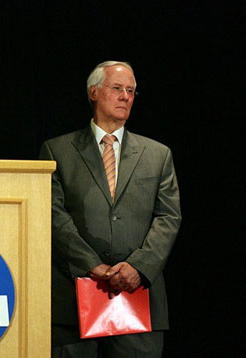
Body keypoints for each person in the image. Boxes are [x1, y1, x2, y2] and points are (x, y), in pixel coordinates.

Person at [39, 61, 181, 357]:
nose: (126, 96)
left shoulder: (158, 155)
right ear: (94, 92)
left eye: (131, 91)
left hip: (137, 297)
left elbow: (168, 217)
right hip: (74, 298)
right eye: (117, 88)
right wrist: (91, 263)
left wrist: (138, 266)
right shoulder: (57, 150)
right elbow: (52, 214)